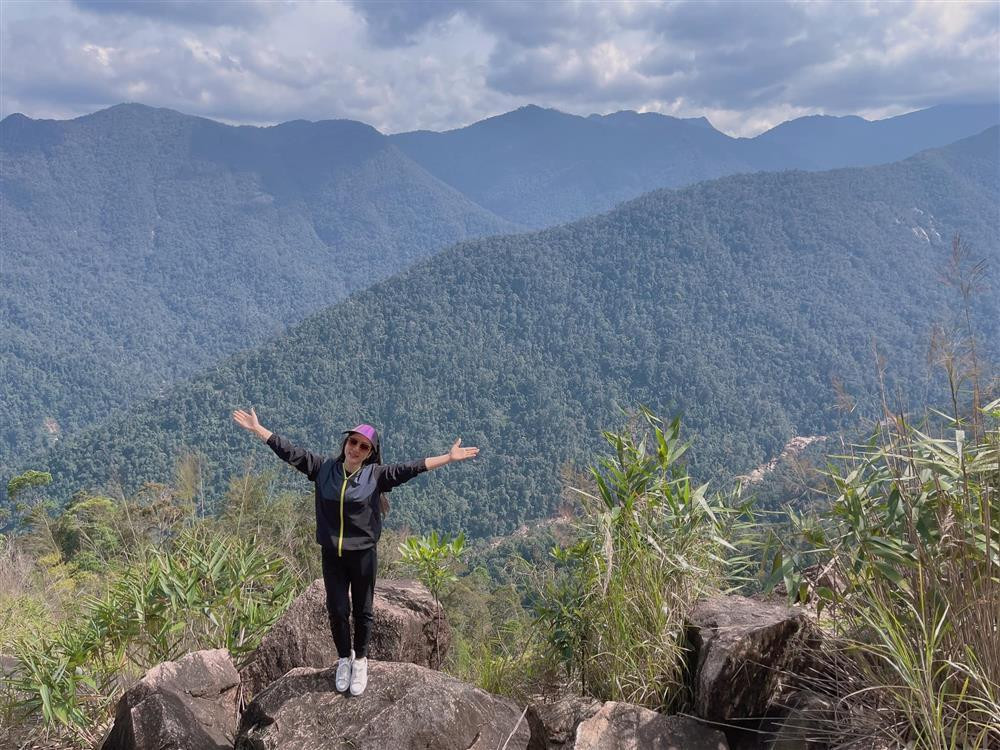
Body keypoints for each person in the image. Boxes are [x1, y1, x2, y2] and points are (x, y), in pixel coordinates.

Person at [231, 407, 478, 696]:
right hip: (332, 555)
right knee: (337, 610)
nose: (356, 449)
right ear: (345, 443)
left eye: (364, 446)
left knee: (363, 611)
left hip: (362, 556)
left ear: (370, 452)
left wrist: (448, 458)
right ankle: (344, 660)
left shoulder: (376, 476)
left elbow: (412, 468)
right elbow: (290, 452)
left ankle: (360, 661)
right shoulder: (323, 469)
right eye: (353, 442)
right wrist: (258, 430)